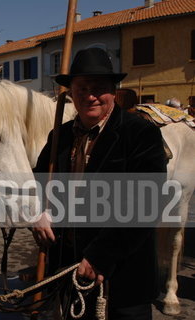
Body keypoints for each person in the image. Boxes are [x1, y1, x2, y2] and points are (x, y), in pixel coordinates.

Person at [33, 48, 167, 319]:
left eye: (99, 88)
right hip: (68, 271)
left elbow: (146, 205)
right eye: (82, 87)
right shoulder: (59, 136)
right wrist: (36, 213)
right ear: (71, 92)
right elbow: (38, 183)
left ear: (113, 92)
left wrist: (99, 256)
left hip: (122, 277)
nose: (90, 95)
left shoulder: (140, 133)